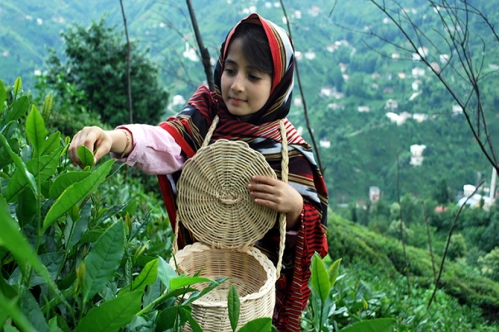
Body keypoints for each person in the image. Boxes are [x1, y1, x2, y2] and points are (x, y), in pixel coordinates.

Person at [69, 13, 328, 331]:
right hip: (198, 280)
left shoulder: (291, 153)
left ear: (278, 85)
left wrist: (295, 208)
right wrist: (114, 138)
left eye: (254, 76)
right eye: (230, 70)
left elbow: (311, 241)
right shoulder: (208, 113)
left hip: (256, 296)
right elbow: (167, 142)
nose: (236, 85)